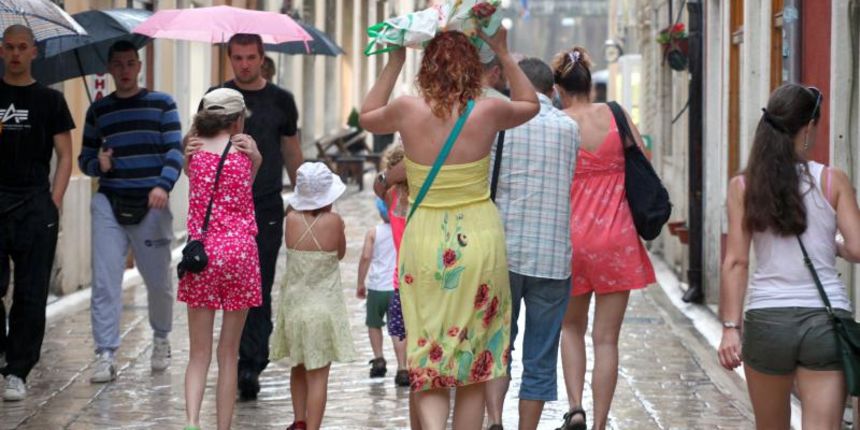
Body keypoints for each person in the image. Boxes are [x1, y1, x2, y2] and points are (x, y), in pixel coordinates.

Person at [362, 28, 539, 430]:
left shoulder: (407, 109)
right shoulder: (487, 110)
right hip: (478, 237)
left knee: (428, 352)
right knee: (474, 359)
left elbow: (368, 114)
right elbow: (530, 103)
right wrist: (503, 52)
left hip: (425, 239)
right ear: (472, 67)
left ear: (428, 67)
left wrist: (394, 60)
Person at [719, 84, 860, 429]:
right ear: (808, 127)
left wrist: (730, 328)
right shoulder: (832, 180)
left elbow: (736, 261)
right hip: (825, 321)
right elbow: (857, 249)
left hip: (768, 320)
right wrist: (835, 243)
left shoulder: (743, 186)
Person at [190, 33, 303, 399]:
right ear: (229, 58)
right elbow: (192, 142)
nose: (244, 64)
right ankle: (230, 358)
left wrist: (302, 199)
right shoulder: (215, 98)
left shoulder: (281, 101)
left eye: (250, 57)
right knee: (212, 291)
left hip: (264, 204)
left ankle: (250, 364)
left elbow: (292, 151)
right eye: (237, 57)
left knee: (259, 289)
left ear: (261, 57)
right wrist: (185, 151)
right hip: (218, 215)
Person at [554, 47, 655, 430]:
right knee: (607, 339)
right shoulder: (615, 116)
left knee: (570, 328)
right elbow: (643, 163)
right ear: (590, 86)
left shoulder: (558, 123)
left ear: (560, 89)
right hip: (617, 239)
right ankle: (599, 424)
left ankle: (575, 407)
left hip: (571, 241)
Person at [484, 58, 580, 430]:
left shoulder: (499, 126)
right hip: (553, 256)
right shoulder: (569, 129)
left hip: (503, 253)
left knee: (497, 345)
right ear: (552, 90)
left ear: (513, 85)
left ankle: (494, 421)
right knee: (541, 356)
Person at [78, 40, 182, 383]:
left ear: (139, 66)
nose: (124, 71)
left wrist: (162, 186)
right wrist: (99, 163)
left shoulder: (162, 104)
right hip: (110, 202)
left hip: (152, 204)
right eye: (117, 65)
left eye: (129, 64)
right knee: (106, 283)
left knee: (158, 281)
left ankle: (162, 337)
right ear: (109, 69)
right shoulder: (98, 112)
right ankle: (105, 354)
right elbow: (85, 160)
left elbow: (175, 151)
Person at [180, 88, 263, 430]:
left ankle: (191, 421)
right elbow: (247, 188)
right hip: (241, 255)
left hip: (203, 255)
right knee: (228, 353)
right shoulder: (244, 154)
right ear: (238, 119)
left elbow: (194, 183)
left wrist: (190, 142)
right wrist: (256, 157)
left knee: (198, 353)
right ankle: (223, 427)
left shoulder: (194, 153)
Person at [0, 24, 74, 402]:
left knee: (30, 293)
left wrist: (54, 200)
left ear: (34, 52)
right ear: (1, 50)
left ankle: (17, 370)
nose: (15, 53)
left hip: (35, 205)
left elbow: (65, 155)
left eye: (22, 47)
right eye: (9, 47)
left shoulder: (50, 101)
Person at [270, 162, 356, 430]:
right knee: (319, 378)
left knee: (298, 368)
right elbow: (340, 254)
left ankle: (299, 421)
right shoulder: (335, 222)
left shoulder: (291, 221)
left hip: (295, 309)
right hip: (323, 310)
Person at [356, 198, 397, 379]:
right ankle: (403, 368)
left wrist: (360, 283)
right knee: (398, 329)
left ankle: (379, 359)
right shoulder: (402, 230)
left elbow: (366, 257)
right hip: (396, 287)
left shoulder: (374, 232)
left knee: (374, 324)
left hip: (377, 287)